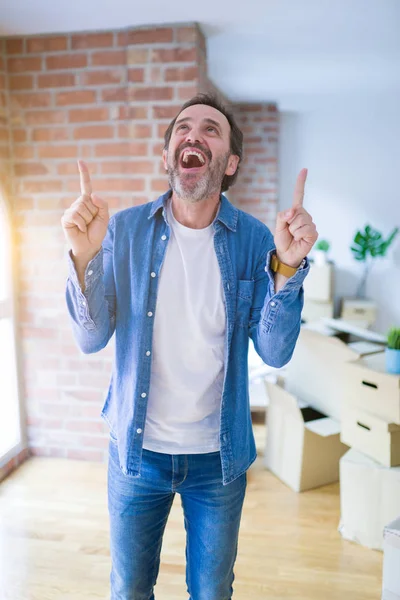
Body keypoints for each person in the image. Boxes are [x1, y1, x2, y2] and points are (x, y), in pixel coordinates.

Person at [62, 93, 318, 600]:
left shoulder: (253, 239)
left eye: (210, 129)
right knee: (130, 588)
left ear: (230, 164)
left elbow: (275, 351)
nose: (192, 135)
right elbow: (90, 340)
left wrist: (286, 270)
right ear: (168, 156)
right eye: (182, 128)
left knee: (211, 590)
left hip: (216, 461)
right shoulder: (125, 231)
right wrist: (82, 255)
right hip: (136, 454)